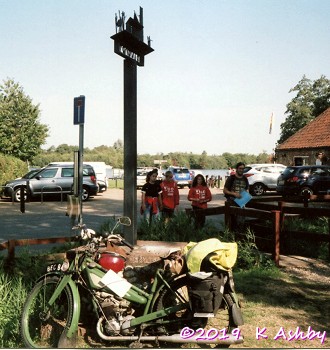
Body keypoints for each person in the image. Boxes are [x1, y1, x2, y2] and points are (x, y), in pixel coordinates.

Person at [223, 162, 249, 231]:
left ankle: (240, 237)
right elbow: (225, 190)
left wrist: (245, 196)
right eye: (240, 168)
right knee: (231, 222)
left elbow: (247, 190)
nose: (241, 170)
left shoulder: (245, 179)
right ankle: (231, 237)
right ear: (236, 169)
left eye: (243, 169)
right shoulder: (231, 178)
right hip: (232, 201)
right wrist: (234, 194)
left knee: (241, 222)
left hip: (241, 202)